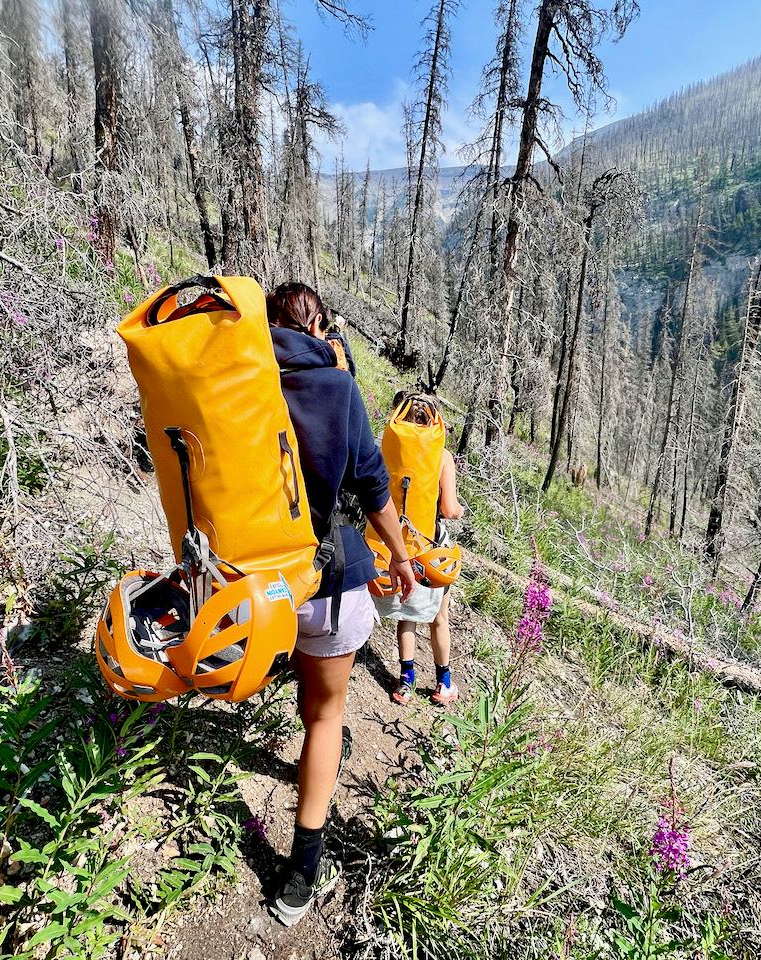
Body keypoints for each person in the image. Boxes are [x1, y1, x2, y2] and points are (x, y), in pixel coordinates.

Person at [266, 282, 417, 926]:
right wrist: (403, 555)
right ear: (321, 327)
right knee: (326, 718)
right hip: (325, 580)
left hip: (246, 588)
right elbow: (372, 484)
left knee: (309, 699)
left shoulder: (240, 383)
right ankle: (303, 868)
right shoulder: (335, 387)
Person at [373, 392, 465, 706]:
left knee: (407, 616)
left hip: (394, 545)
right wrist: (457, 510)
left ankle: (406, 681)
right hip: (431, 547)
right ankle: (444, 682)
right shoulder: (442, 457)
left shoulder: (389, 447)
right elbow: (450, 509)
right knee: (440, 617)